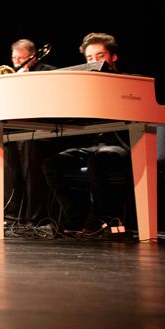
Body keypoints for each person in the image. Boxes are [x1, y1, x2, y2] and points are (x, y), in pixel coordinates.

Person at [42, 33, 129, 233]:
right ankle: (75, 217)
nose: (94, 62)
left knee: (99, 159)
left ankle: (99, 220)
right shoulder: (87, 90)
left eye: (100, 56)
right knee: (52, 163)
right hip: (96, 146)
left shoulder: (129, 82)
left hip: (124, 145)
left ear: (113, 57)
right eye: (90, 58)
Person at [3, 39, 56, 226]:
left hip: (38, 132)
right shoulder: (11, 75)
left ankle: (35, 220)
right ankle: (11, 220)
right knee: (10, 175)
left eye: (21, 58)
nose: (16, 62)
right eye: (14, 58)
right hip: (14, 130)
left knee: (33, 177)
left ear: (32, 57)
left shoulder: (47, 72)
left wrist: (26, 80)